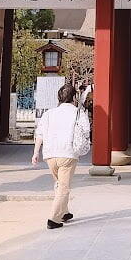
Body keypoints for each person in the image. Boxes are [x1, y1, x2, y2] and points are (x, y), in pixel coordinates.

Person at [31, 82, 86, 229]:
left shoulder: (49, 113)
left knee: (59, 184)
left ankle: (64, 212)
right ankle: (54, 218)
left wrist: (36, 153)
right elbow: (86, 130)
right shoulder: (78, 113)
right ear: (74, 97)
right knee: (63, 186)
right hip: (67, 153)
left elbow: (40, 133)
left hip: (50, 155)